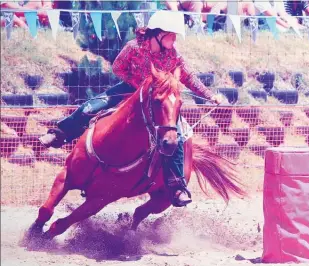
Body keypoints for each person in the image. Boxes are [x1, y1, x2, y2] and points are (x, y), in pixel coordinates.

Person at [39, 10, 224, 208]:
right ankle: (60, 133)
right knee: (91, 106)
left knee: (176, 136)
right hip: (131, 88)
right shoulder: (133, 47)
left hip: (158, 99)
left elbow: (189, 77)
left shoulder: (173, 55)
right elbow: (118, 67)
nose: (175, 39)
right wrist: (139, 85)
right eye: (172, 35)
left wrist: (210, 95)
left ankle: (177, 185)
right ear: (159, 34)